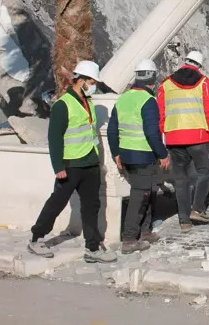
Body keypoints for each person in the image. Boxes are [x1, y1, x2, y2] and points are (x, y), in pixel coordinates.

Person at [28, 60, 117, 263]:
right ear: (81, 80)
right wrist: (58, 166)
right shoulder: (63, 105)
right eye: (92, 81)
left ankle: (92, 247)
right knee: (57, 202)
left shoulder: (88, 103)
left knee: (91, 206)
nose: (94, 86)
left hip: (90, 162)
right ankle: (36, 237)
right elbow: (55, 138)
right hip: (71, 164)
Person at [107, 59, 169, 254]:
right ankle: (129, 239)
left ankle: (145, 231)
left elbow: (111, 130)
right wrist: (163, 154)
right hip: (143, 156)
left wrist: (116, 153)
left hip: (127, 155)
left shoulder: (123, 98)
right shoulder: (148, 101)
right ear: (152, 78)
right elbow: (152, 133)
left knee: (147, 191)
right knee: (139, 196)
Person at [157, 51, 209, 230]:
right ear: (199, 66)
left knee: (180, 180)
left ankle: (184, 220)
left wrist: (163, 140)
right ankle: (197, 209)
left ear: (184, 62)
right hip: (198, 137)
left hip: (174, 138)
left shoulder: (166, 84)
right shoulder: (203, 83)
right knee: (206, 171)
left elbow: (160, 114)